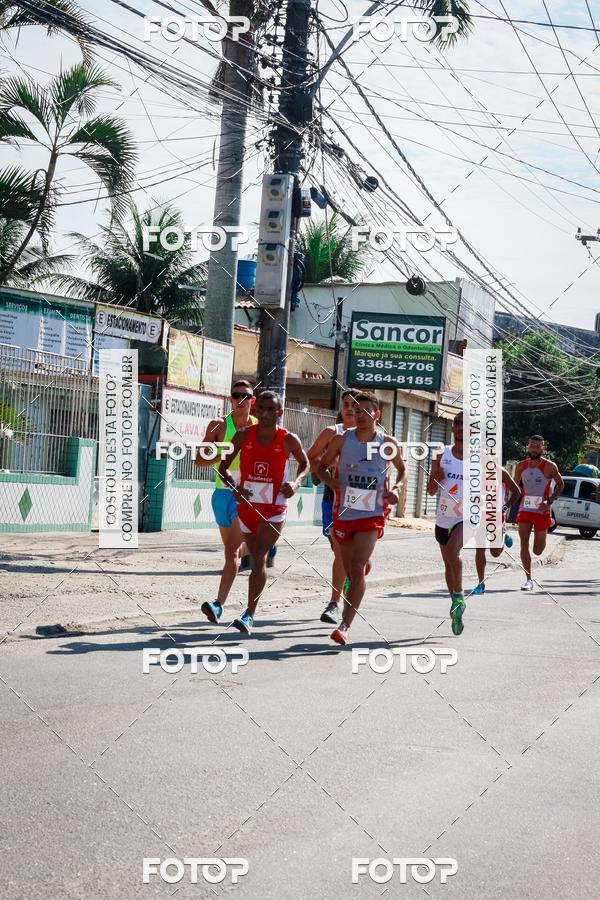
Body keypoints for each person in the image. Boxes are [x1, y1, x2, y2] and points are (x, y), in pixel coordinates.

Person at [203, 390, 309, 635]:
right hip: (248, 506)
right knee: (240, 553)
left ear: (279, 412)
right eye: (260, 408)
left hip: (274, 508)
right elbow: (223, 468)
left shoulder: (287, 439)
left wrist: (296, 483)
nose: (264, 413)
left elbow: (305, 463)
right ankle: (223, 605)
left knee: (260, 554)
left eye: (270, 409)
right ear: (255, 409)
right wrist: (235, 488)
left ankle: (249, 614)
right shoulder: (243, 436)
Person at [316, 391, 406, 646]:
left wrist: (396, 489)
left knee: (355, 568)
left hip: (372, 512)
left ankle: (345, 626)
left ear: (376, 414)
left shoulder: (387, 442)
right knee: (350, 570)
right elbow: (321, 466)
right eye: (356, 412)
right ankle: (360, 573)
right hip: (344, 511)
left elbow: (402, 469)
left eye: (366, 412)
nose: (360, 416)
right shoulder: (342, 440)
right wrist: (330, 481)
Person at [200, 380, 257, 612]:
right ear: (231, 399)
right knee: (231, 551)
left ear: (253, 400)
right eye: (236, 395)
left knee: (231, 552)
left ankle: (218, 605)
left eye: (246, 396)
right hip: (221, 495)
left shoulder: (258, 426)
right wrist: (224, 451)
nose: (241, 400)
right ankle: (257, 545)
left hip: (247, 496)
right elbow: (199, 459)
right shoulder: (218, 425)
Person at [307, 390, 358, 625]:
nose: (349, 408)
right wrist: (325, 473)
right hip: (333, 497)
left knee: (348, 554)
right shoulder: (332, 432)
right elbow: (310, 457)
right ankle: (337, 598)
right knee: (338, 550)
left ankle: (336, 599)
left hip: (362, 502)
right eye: (346, 404)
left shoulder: (372, 437)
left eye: (355, 405)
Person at [427, 411, 466, 636]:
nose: (461, 427)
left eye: (466, 424)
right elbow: (431, 491)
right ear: (453, 428)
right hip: (444, 516)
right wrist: (436, 477)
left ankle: (459, 595)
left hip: (467, 515)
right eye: (457, 423)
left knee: (453, 554)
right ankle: (455, 606)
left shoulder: (481, 457)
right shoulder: (442, 454)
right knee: (448, 563)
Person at [514, 435, 564, 592]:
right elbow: (515, 487)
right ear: (527, 447)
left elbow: (560, 485)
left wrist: (549, 501)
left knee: (538, 550)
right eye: (532, 446)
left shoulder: (549, 466)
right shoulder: (520, 466)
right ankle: (528, 579)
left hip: (542, 510)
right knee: (523, 543)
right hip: (525, 509)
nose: (534, 449)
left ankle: (548, 525)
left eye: (538, 446)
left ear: (543, 448)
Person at [472, 467, 521, 594]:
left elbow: (517, 492)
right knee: (480, 548)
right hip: (480, 516)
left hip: (497, 516)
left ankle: (504, 536)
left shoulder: (501, 472)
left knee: (495, 553)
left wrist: (504, 508)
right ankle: (480, 583)